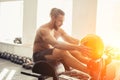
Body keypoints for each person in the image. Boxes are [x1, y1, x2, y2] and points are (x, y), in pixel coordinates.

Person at [33, 8, 93, 76]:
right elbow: (56, 44)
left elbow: (71, 40)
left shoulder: (58, 30)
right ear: (53, 18)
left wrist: (86, 45)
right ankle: (89, 72)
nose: (62, 24)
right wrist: (77, 47)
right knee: (62, 51)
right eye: (60, 21)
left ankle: (92, 64)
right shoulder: (43, 30)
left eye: (63, 21)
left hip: (51, 54)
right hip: (38, 56)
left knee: (74, 51)